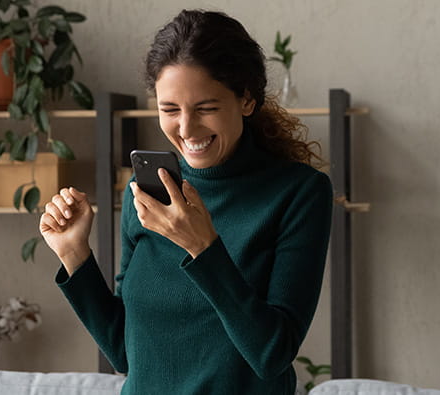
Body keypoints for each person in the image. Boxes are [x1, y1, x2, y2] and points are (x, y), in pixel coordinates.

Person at [39, 9, 333, 394]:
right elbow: (127, 354)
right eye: (169, 110)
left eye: (206, 109)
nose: (186, 128)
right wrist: (75, 254)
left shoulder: (299, 194)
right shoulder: (143, 195)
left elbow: (272, 354)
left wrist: (201, 246)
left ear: (246, 99)